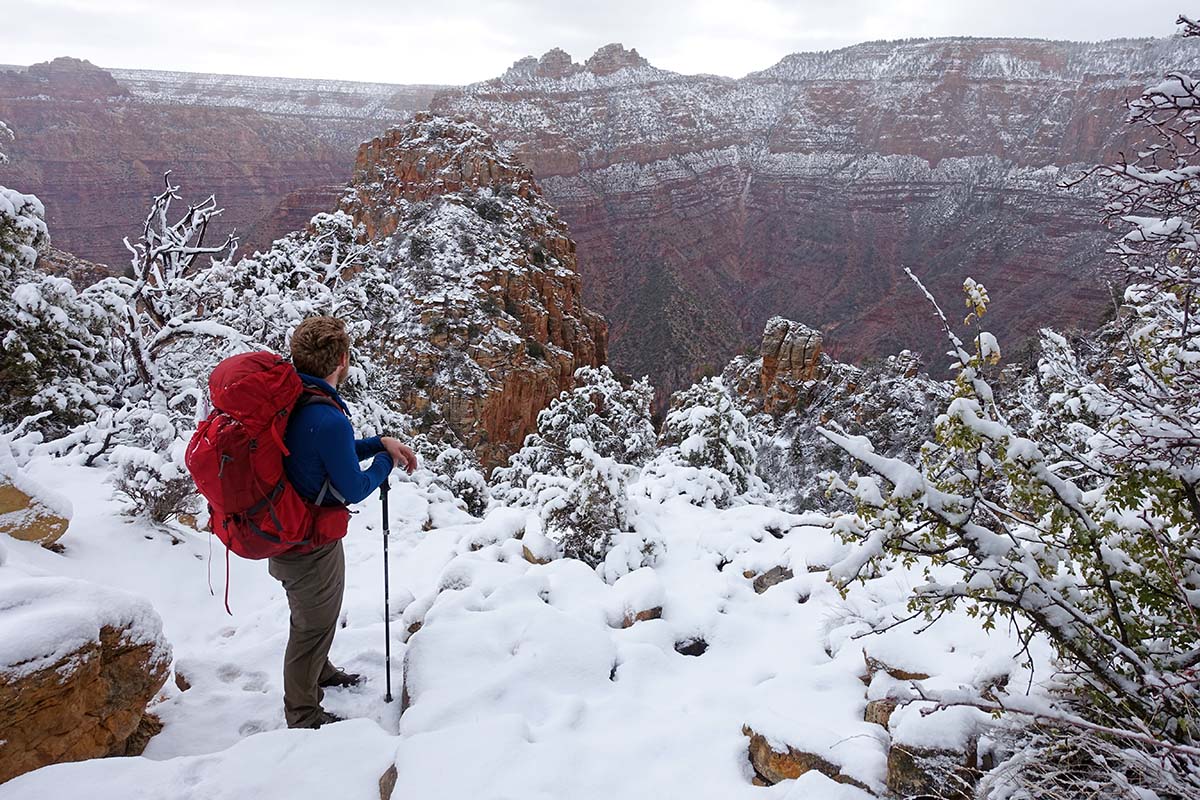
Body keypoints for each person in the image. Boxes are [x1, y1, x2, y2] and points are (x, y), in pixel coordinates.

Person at [269, 315, 417, 729]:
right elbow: (352, 486)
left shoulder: (296, 396)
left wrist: (377, 444)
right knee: (310, 626)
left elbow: (328, 448)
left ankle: (321, 672)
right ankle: (303, 712)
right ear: (342, 361)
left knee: (319, 616)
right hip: (306, 543)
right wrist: (384, 462)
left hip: (290, 528)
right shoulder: (326, 414)